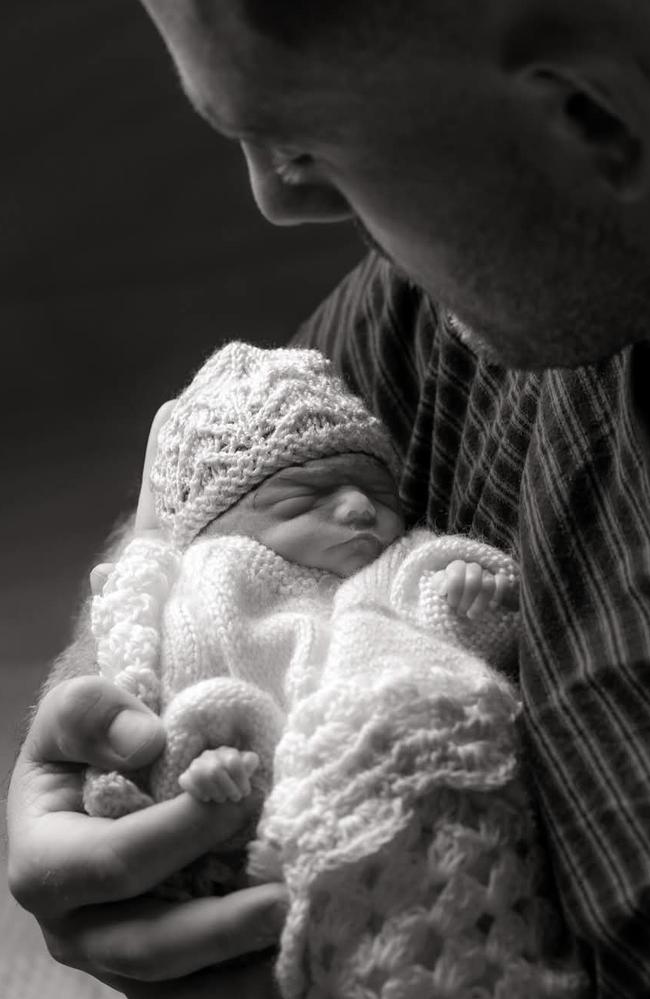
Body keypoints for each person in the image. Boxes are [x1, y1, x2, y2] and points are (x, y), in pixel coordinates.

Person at [7, 1, 650, 997]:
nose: (274, 199)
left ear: (596, 122)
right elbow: (201, 495)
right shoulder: (476, 278)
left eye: (301, 139)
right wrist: (103, 700)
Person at [86, 340, 584, 997]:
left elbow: (453, 622)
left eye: (377, 491)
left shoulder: (393, 563)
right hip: (257, 792)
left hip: (406, 760)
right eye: (306, 499)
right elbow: (159, 678)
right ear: (217, 525)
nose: (357, 509)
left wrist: (467, 594)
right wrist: (188, 760)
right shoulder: (211, 579)